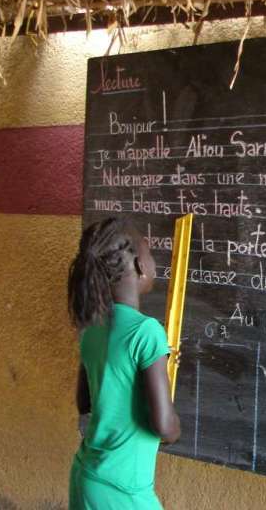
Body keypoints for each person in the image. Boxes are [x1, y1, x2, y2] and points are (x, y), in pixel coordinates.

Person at [67, 216, 181, 509]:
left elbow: (85, 402)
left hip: (87, 475)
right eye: (150, 253)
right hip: (123, 488)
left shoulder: (91, 327)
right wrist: (173, 429)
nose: (153, 261)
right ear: (141, 266)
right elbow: (165, 427)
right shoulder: (147, 331)